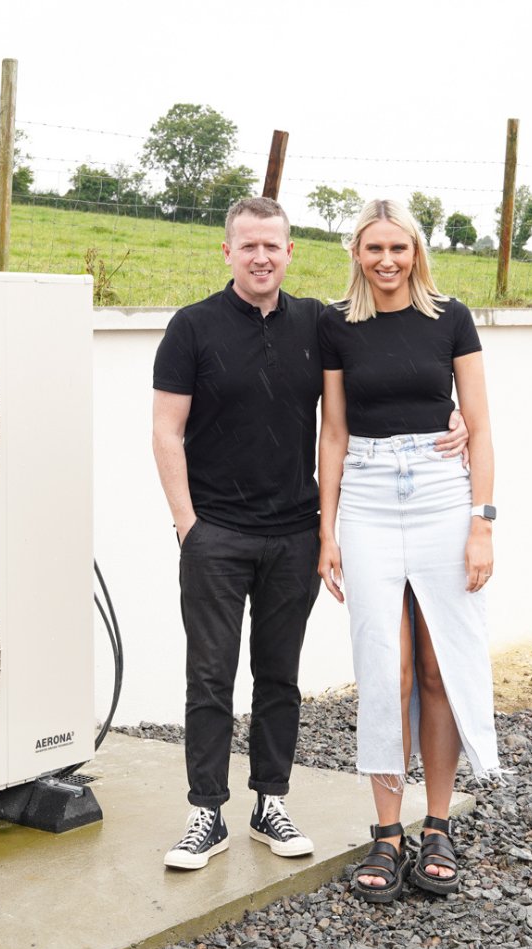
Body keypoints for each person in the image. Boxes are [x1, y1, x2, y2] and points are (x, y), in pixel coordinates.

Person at [151, 196, 467, 871]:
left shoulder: (320, 324)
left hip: (294, 530)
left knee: (278, 676)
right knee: (209, 675)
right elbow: (165, 432)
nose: (261, 257)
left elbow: (372, 389)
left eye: (273, 245)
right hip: (217, 535)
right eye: (249, 246)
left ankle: (271, 802)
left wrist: (455, 421)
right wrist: (189, 527)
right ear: (228, 252)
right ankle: (206, 813)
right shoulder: (192, 327)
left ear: (290, 252)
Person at [317, 197, 502, 904]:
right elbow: (332, 434)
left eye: (399, 248)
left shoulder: (450, 317)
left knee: (437, 665)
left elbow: (480, 428)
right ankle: (386, 830)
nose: (387, 261)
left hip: (438, 492)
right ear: (357, 255)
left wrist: (481, 521)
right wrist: (325, 529)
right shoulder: (337, 325)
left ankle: (437, 825)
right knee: (384, 667)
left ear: (417, 252)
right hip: (364, 493)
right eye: (374, 250)